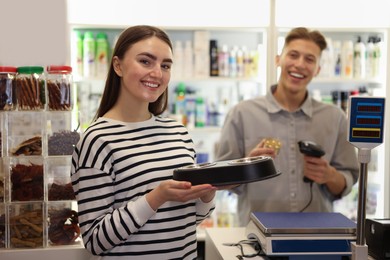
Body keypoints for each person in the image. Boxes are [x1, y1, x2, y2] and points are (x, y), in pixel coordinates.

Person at [71, 25, 217, 259]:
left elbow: (190, 220)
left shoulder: (178, 133)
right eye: (146, 62)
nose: (157, 73)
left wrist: (206, 195)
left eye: (165, 65)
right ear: (118, 65)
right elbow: (95, 240)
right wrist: (156, 197)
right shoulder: (97, 140)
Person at [215, 27, 359, 227]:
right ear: (278, 60)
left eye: (309, 59)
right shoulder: (242, 113)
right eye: (293, 55)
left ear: (317, 69)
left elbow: (348, 181)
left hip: (317, 237)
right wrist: (248, 166)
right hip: (255, 240)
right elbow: (219, 180)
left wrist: (330, 175)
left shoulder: (335, 118)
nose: (300, 64)